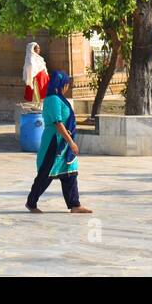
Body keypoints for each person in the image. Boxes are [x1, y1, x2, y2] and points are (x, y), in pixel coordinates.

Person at [25, 70, 91, 213]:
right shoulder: (53, 99)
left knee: (70, 172)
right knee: (47, 172)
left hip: (64, 142)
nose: (67, 87)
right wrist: (71, 142)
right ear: (61, 84)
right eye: (66, 84)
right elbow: (57, 122)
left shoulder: (59, 98)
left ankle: (74, 204)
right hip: (54, 142)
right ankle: (31, 203)